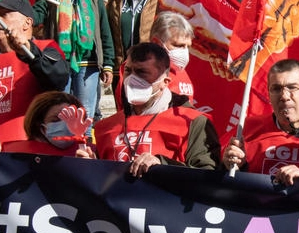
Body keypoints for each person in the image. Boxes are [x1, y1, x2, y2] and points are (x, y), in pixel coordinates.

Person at [93, 42, 221, 174]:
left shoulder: (193, 123)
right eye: (128, 71)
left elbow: (207, 176)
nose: (132, 79)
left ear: (164, 82)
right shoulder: (106, 127)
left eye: (142, 72)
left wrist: (162, 165)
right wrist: (88, 164)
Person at [32, 0, 115, 120]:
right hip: (59, 61)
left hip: (89, 62)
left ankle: (84, 147)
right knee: (61, 112)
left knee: (85, 114)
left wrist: (108, 64)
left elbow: (104, 31)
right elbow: (35, 16)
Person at [0, 0, 69, 146]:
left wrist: (30, 52)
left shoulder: (45, 48)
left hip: (29, 156)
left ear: (27, 23)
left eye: (3, 14)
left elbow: (58, 79)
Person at [0, 91, 96, 159]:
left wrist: (92, 167)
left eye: (71, 118)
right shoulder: (9, 152)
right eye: (56, 119)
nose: (65, 125)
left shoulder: (91, 153)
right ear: (41, 127)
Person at [150, 11, 196, 101]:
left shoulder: (180, 71)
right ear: (156, 43)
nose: (184, 52)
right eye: (178, 45)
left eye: (188, 46)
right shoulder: (140, 72)